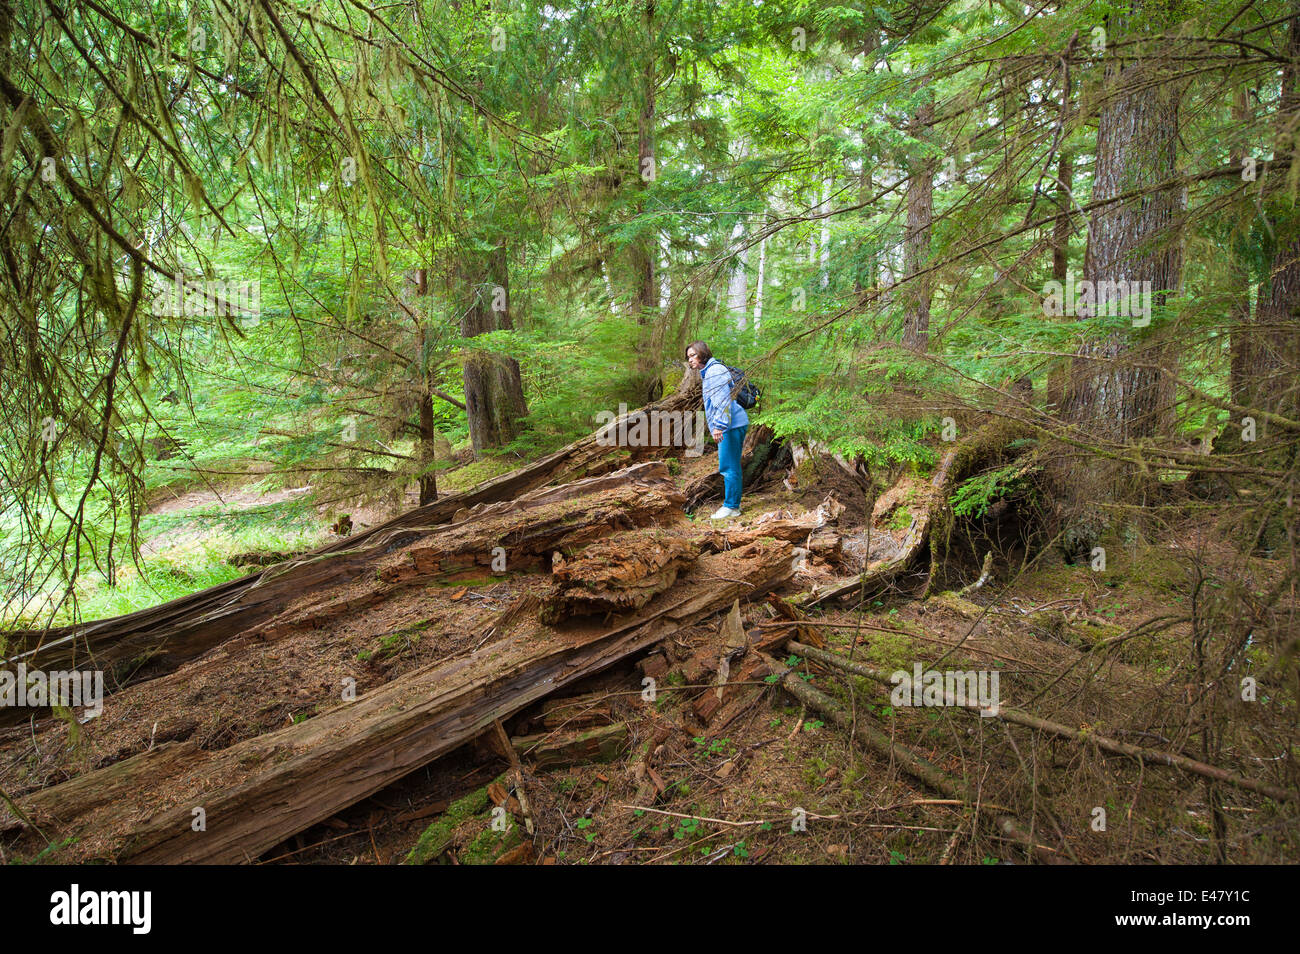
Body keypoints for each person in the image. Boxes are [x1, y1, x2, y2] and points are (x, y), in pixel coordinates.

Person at [685, 340, 748, 520]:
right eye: (688, 357)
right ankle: (732, 504)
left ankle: (731, 507)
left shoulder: (714, 371)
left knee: (728, 466)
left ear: (702, 353)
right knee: (730, 464)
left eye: (693, 355)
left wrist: (719, 426)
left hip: (731, 424)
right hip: (731, 423)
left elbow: (722, 401)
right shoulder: (709, 371)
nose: (690, 360)